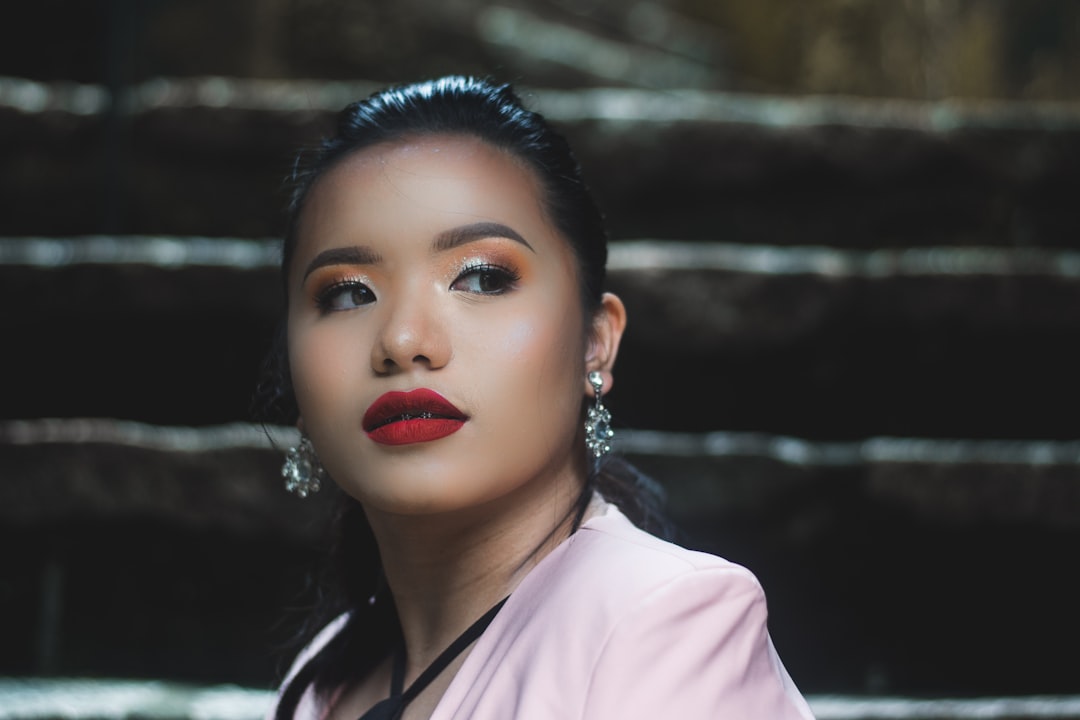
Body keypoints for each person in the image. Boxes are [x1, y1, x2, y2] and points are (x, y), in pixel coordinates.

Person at [257, 75, 814, 720]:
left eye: (482, 278)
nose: (403, 341)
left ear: (594, 343)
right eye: (348, 293)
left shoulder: (664, 624)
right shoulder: (322, 678)